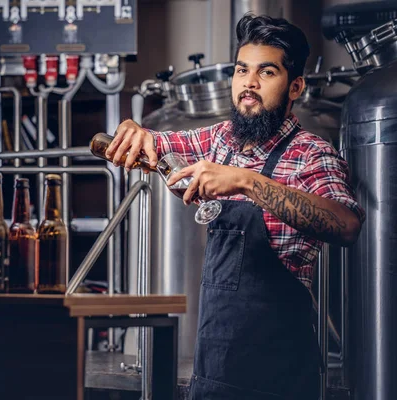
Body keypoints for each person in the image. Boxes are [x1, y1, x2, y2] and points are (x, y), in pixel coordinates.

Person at [105, 14, 365, 400]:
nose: (249, 84)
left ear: (295, 86)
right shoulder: (220, 139)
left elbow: (346, 225)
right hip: (214, 374)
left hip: (281, 380)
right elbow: (154, 143)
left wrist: (246, 181)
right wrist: (134, 129)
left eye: (267, 73)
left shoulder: (312, 153)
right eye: (242, 70)